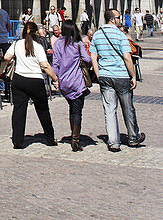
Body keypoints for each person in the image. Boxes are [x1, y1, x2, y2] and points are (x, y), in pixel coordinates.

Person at [90, 9, 145, 152]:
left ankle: (113, 142)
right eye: (119, 17)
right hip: (121, 76)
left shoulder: (97, 35)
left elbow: (93, 58)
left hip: (105, 76)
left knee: (109, 109)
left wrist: (99, 74)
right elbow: (127, 57)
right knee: (128, 108)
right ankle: (133, 138)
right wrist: (133, 76)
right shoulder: (121, 35)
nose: (121, 19)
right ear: (113, 20)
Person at [4, 20, 59, 149]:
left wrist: (17, 58)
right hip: (35, 80)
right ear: (35, 33)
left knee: (18, 110)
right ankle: (50, 137)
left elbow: (6, 57)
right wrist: (55, 78)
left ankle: (17, 140)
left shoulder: (16, 44)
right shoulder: (38, 46)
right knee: (43, 110)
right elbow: (45, 65)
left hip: (19, 79)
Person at [52, 20, 91, 151]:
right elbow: (87, 59)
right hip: (77, 82)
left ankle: (73, 134)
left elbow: (55, 63)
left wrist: (56, 79)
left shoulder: (57, 44)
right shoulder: (77, 44)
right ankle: (75, 139)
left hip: (64, 83)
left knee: (72, 109)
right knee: (77, 111)